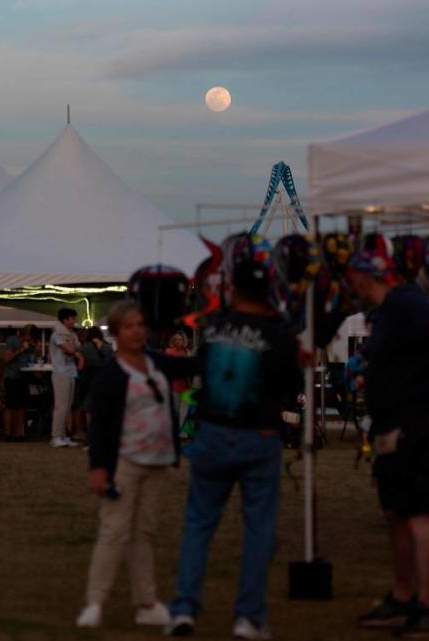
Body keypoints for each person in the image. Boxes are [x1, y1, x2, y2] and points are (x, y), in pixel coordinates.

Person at [166, 260, 303, 640]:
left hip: (212, 432)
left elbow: (200, 375)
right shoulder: (280, 336)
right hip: (258, 437)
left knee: (199, 523)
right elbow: (289, 386)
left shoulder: (212, 331)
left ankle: (183, 609)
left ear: (234, 289)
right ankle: (249, 617)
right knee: (258, 528)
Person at [347, 251, 429, 638]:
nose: (351, 290)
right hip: (391, 427)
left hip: (414, 426)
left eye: (353, 281)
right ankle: (402, 595)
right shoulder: (389, 312)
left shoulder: (404, 301)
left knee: (418, 513)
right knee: (396, 512)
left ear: (366, 277)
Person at [77, 303, 192, 629]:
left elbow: (192, 364)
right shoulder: (112, 373)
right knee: (114, 531)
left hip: (156, 463)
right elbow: (99, 425)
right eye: (129, 326)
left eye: (141, 324)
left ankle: (146, 602)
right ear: (116, 333)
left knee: (145, 534)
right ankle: (95, 603)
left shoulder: (155, 362)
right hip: (124, 463)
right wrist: (98, 468)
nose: (137, 331)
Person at [50, 308, 85, 448]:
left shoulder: (70, 334)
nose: (75, 321)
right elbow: (69, 349)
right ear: (65, 320)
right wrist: (78, 355)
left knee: (68, 406)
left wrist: (77, 352)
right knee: (61, 406)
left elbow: (76, 347)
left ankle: (64, 436)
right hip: (60, 372)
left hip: (70, 371)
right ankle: (56, 436)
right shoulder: (57, 334)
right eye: (73, 318)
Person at [2, 325, 36, 442]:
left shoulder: (30, 345)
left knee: (21, 407)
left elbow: (32, 359)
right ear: (25, 334)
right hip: (12, 377)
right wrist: (21, 350)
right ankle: (8, 433)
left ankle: (18, 434)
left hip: (23, 377)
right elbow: (6, 359)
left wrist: (34, 348)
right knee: (10, 406)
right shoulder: (12, 340)